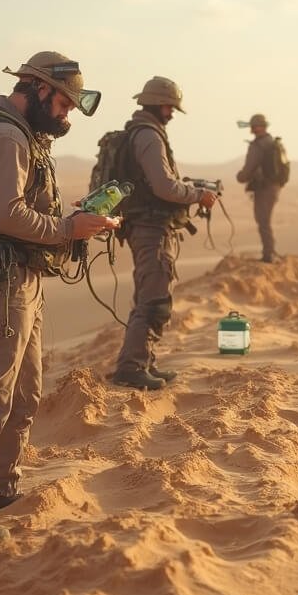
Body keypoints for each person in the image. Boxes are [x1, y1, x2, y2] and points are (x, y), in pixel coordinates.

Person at [0, 51, 120, 554]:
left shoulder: (19, 134)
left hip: (18, 278)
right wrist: (66, 229)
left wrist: (76, 222)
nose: (67, 114)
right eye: (62, 102)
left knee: (24, 393)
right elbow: (3, 214)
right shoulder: (5, 136)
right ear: (35, 88)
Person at [110, 76, 217, 390]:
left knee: (148, 296)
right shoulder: (149, 136)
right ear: (160, 104)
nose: (172, 114)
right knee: (154, 301)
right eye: (170, 107)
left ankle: (143, 361)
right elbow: (165, 187)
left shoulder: (140, 133)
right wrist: (198, 194)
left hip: (146, 226)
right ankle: (131, 368)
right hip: (151, 228)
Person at [236, 113, 280, 263]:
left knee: (263, 221)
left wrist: (240, 177)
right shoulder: (272, 142)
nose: (253, 129)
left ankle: (269, 255)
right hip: (273, 187)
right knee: (264, 221)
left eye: (254, 126)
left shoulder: (259, 145)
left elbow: (249, 168)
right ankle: (269, 252)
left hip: (264, 188)